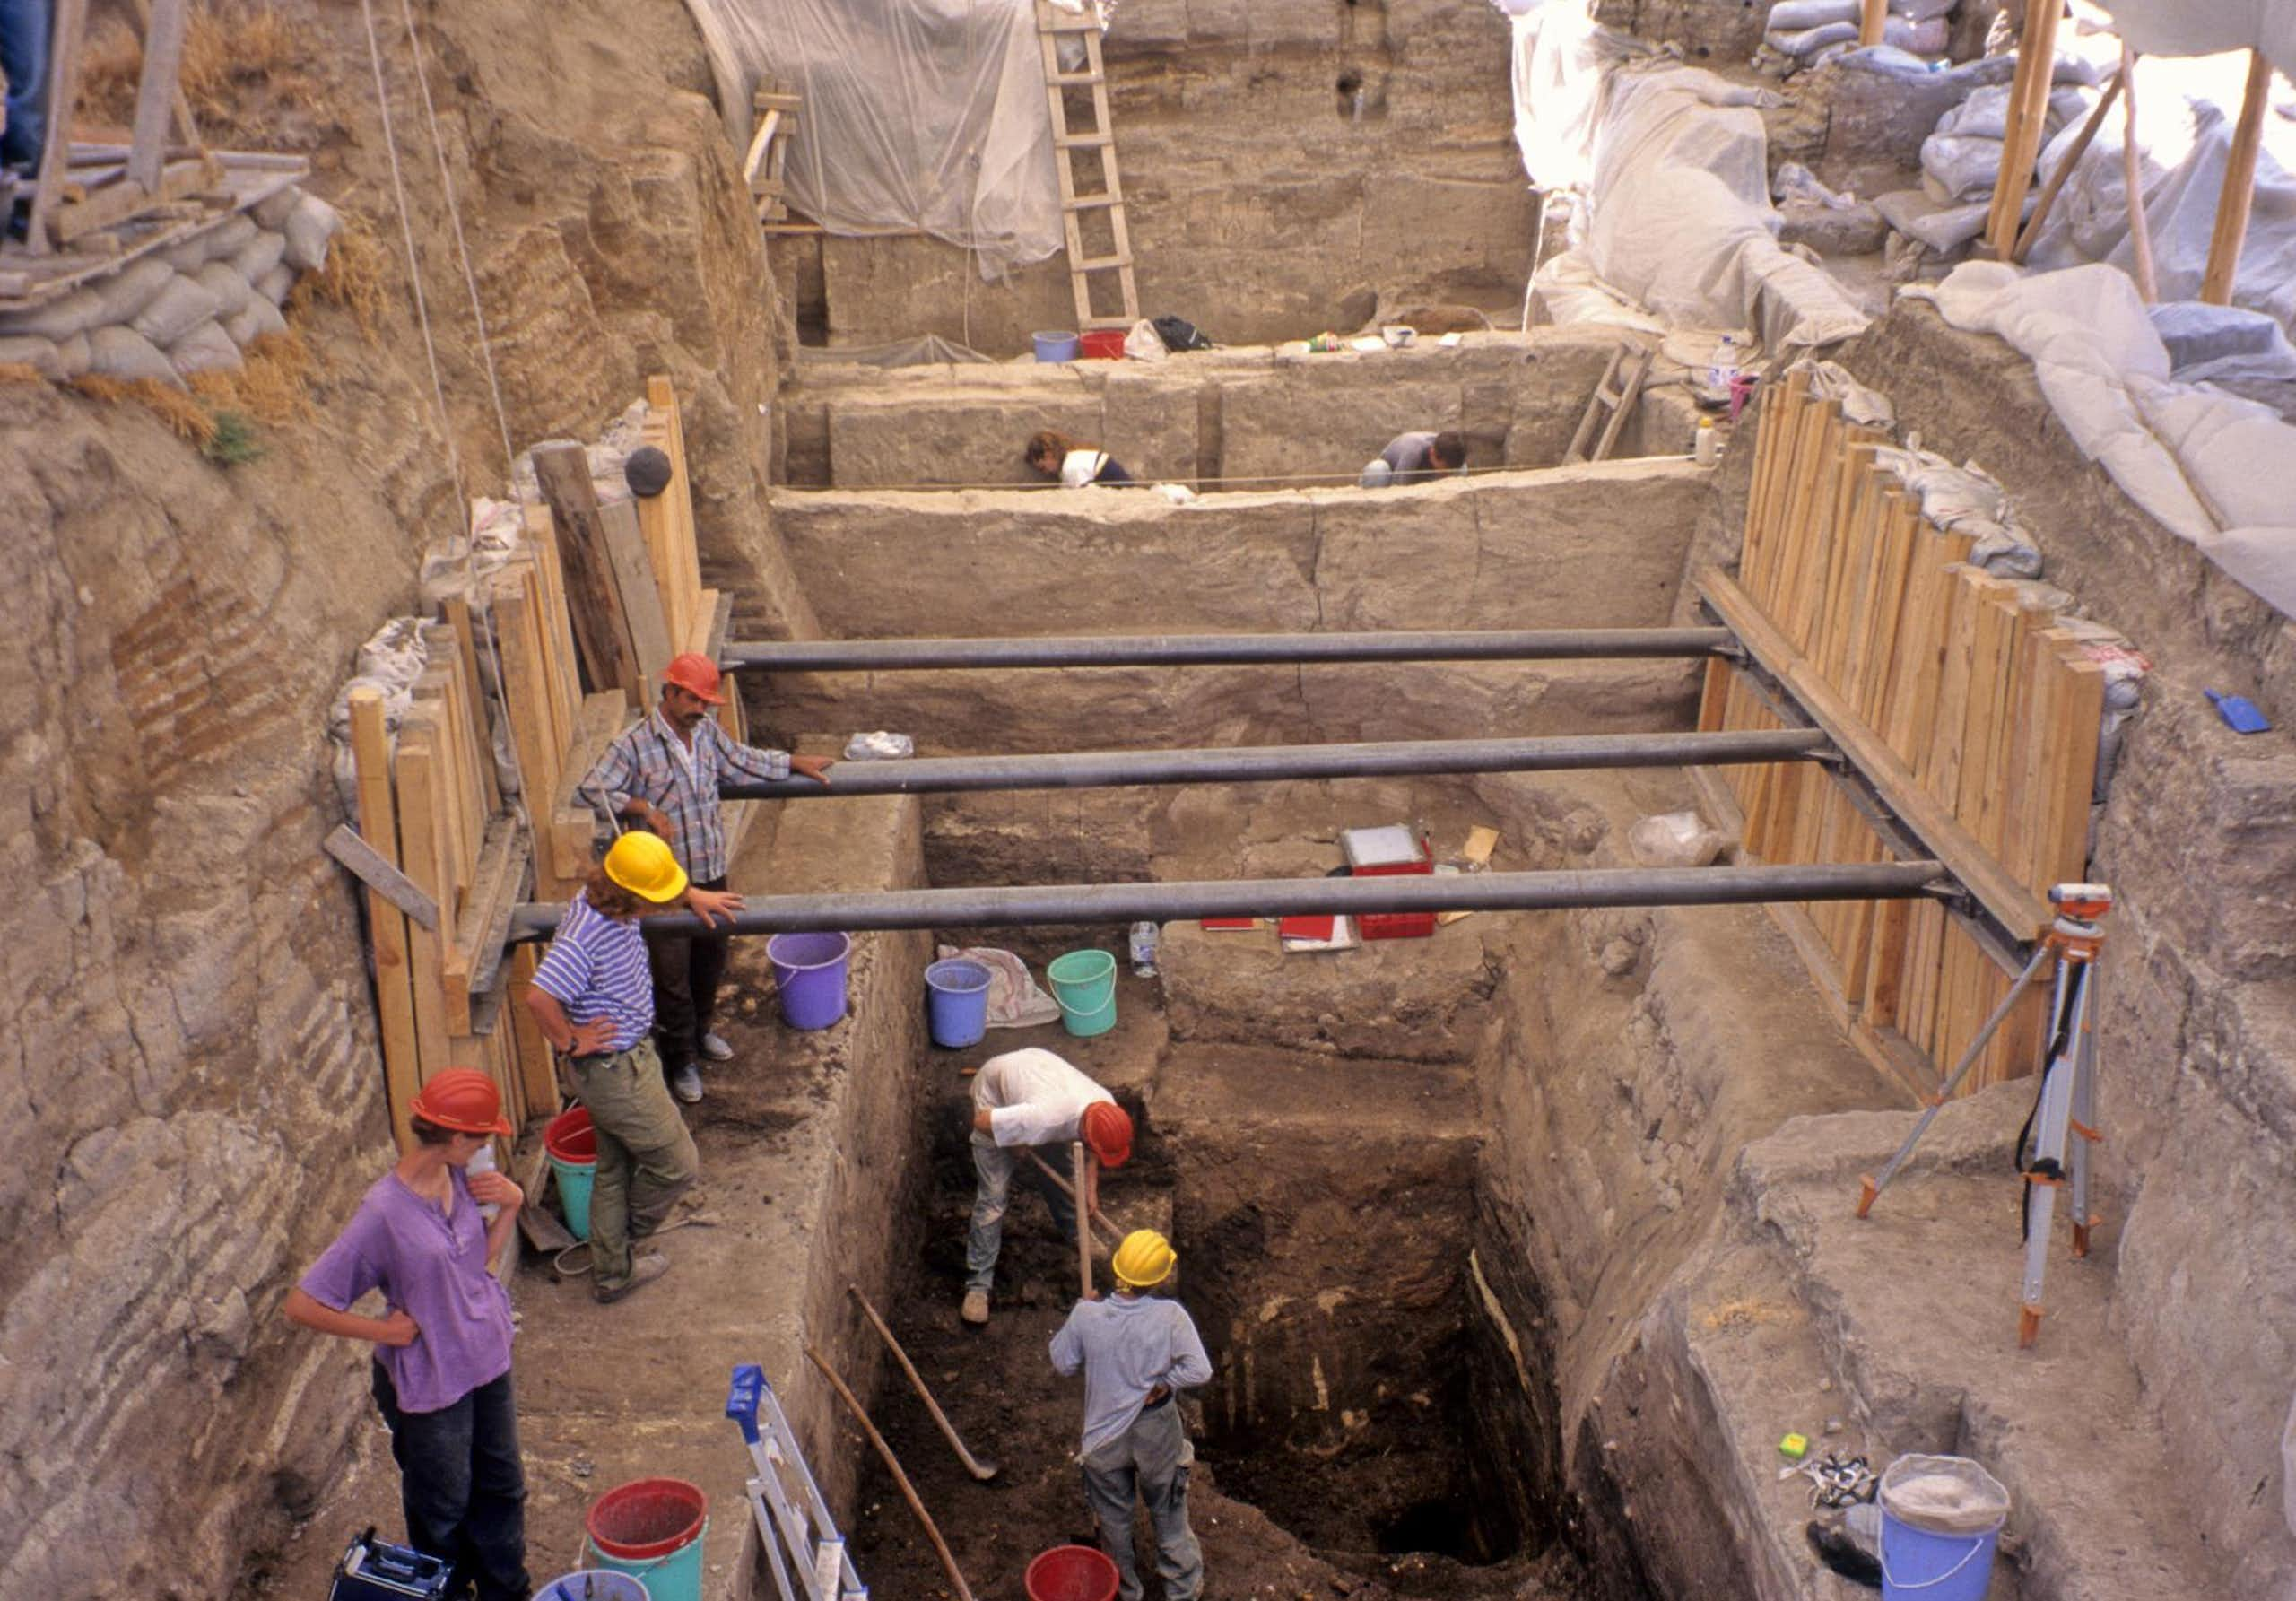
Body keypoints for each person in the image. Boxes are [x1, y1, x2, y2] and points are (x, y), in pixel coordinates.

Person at [282, 1068, 532, 1601]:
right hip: (432, 1377)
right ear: (457, 1137)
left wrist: (510, 1206)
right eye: (482, 1135)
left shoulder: (462, 1179)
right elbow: (304, 1303)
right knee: (443, 1506)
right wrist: (385, 1331)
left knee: (503, 1487)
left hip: (486, 1357)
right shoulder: (383, 1213)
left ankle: (507, 1592)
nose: (488, 1144)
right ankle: (444, 1593)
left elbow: (472, 1266)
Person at [583, 651, 831, 1104]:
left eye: (705, 702)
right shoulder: (635, 743)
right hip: (664, 886)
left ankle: (701, 1033)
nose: (700, 709)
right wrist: (643, 808)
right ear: (671, 692)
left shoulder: (706, 734)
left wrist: (794, 762)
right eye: (693, 699)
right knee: (671, 975)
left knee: (711, 959)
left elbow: (742, 761)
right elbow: (594, 788)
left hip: (711, 871)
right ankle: (680, 1061)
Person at [526, 831, 725, 1302]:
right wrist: (571, 1040)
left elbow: (645, 881)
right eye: (656, 899)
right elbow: (538, 996)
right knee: (678, 1165)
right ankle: (620, 1241)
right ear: (633, 898)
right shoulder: (585, 936)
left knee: (615, 1167)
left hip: (622, 1062)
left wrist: (689, 894)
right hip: (615, 1070)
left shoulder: (604, 896)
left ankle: (613, 1272)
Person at [1050, 1229, 1211, 1601]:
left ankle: (1126, 1591)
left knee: (1113, 1521)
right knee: (1168, 1513)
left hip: (1104, 1438)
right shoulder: (1171, 1316)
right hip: (1156, 1431)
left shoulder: (1087, 1315)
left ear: (1118, 1267)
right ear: (1157, 1278)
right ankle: (1182, 1589)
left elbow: (1062, 1362)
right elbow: (1199, 1371)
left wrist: (1080, 1313)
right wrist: (1167, 1382)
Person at [962, 1046, 1134, 1325]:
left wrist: (1089, 1189)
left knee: (1062, 1171)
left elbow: (1093, 1155)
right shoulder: (1042, 1118)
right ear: (1087, 1133)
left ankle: (1075, 1231)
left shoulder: (1106, 1106)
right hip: (993, 1096)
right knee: (992, 1200)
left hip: (1036, 1077)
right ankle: (978, 1287)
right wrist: (1015, 1139)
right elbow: (980, 1121)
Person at [1025, 429, 1136, 488]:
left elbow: (1086, 496)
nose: (1046, 473)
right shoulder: (1073, 458)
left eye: (1043, 468)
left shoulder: (1071, 468)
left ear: (1048, 455)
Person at [1359, 429, 1466, 489]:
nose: (1447, 475)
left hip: (1422, 478)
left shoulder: (1449, 448)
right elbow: (1398, 490)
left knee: (1462, 470)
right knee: (1377, 470)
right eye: (1445, 470)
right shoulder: (1413, 451)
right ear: (1432, 453)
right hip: (1391, 479)